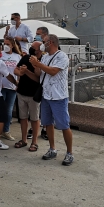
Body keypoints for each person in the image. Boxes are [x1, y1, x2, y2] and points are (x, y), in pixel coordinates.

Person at [29, 34, 74, 166]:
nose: (42, 44)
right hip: (46, 95)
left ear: (51, 42)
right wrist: (36, 64)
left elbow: (53, 71)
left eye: (44, 42)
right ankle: (52, 148)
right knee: (48, 124)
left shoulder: (62, 56)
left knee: (64, 125)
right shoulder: (45, 56)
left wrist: (39, 64)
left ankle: (69, 153)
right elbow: (39, 74)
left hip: (59, 96)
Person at [0, 37, 21, 141]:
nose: (6, 45)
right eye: (5, 43)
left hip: (12, 87)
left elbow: (19, 71)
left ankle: (5, 131)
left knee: (8, 111)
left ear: (13, 45)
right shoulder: (0, 55)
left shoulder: (17, 56)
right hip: (0, 87)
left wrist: (18, 83)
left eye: (8, 44)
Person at [13, 41, 42, 152]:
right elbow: (16, 69)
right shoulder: (26, 58)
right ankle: (24, 139)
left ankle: (34, 142)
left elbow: (38, 78)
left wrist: (26, 71)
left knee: (34, 119)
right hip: (21, 92)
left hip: (34, 94)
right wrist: (20, 72)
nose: (31, 48)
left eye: (33, 47)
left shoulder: (42, 60)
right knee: (23, 118)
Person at [35, 26, 50, 141]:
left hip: (48, 85)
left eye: (38, 34)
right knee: (37, 108)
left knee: (47, 110)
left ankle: (45, 129)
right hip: (38, 81)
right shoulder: (37, 46)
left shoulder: (49, 48)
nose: (37, 35)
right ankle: (35, 128)